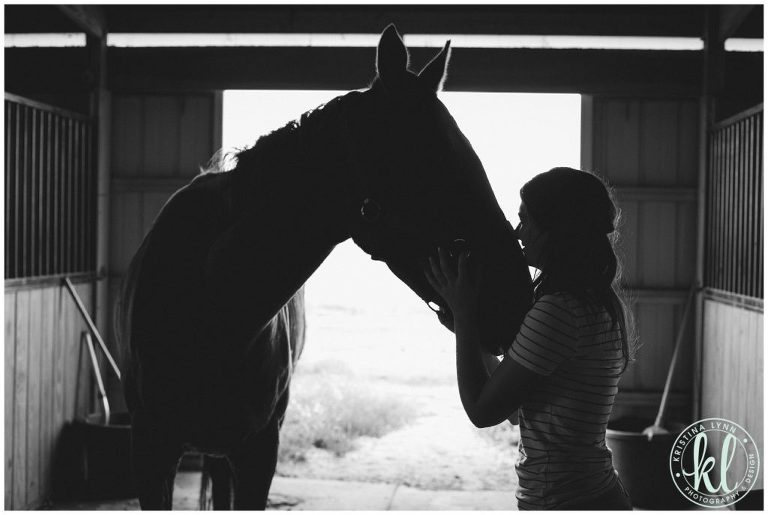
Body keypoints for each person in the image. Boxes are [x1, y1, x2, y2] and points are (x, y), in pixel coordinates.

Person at [424, 167, 635, 510]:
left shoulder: (559, 311)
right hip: (591, 493)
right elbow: (512, 409)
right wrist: (468, 333)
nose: (519, 233)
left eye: (526, 221)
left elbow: (482, 411)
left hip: (566, 501)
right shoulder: (593, 301)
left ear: (556, 229)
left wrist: (464, 315)